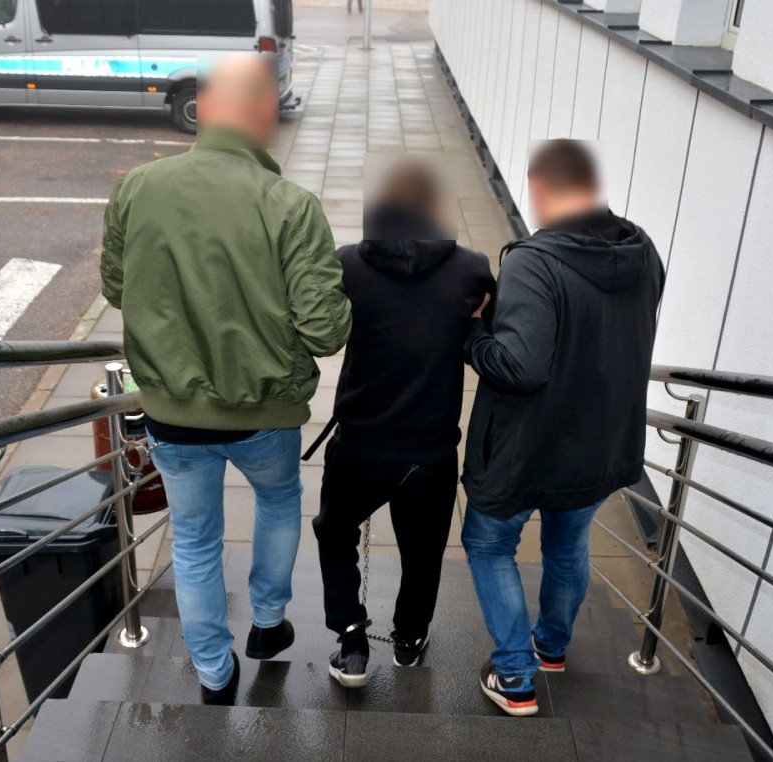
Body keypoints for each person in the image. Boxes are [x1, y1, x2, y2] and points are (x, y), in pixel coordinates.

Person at [100, 53, 351, 706]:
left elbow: (117, 286)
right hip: (267, 410)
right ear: (265, 116)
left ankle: (214, 672)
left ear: (206, 109)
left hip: (172, 410)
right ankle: (268, 622)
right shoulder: (291, 205)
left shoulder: (137, 187)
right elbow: (325, 331)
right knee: (278, 501)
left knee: (194, 540)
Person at [461, 139, 664, 716]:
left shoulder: (535, 261)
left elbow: (520, 367)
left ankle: (514, 676)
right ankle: (550, 648)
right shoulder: (643, 250)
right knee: (568, 546)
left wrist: (472, 333)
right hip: (599, 443)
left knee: (489, 544)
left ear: (540, 187)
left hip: (526, 448)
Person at [313, 161, 495, 688]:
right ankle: (409, 638)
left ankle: (351, 642)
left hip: (360, 442)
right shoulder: (472, 269)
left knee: (334, 532)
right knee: (423, 553)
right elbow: (487, 331)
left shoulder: (348, 262)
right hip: (430, 449)